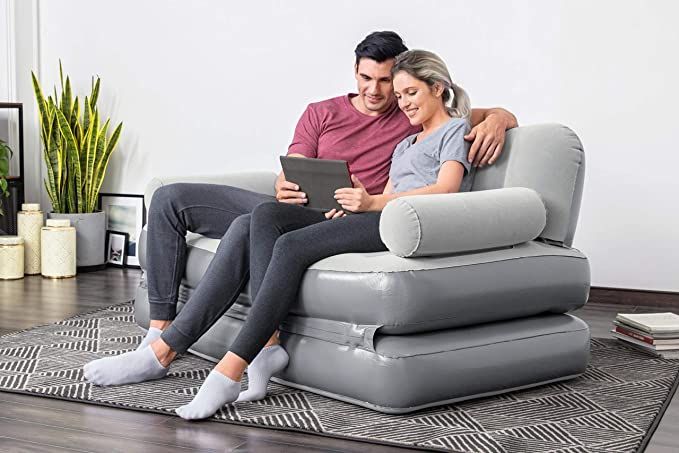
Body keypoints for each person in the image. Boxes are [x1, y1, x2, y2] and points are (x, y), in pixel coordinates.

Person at [83, 32, 517, 416]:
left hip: (376, 215)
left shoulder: (417, 120)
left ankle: (217, 362)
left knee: (258, 230)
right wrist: (288, 184)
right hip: (314, 207)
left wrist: (498, 118)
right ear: (354, 72)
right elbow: (306, 166)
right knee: (198, 203)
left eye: (391, 84)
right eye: (368, 79)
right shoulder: (351, 120)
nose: (381, 92)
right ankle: (164, 338)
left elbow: (461, 127)